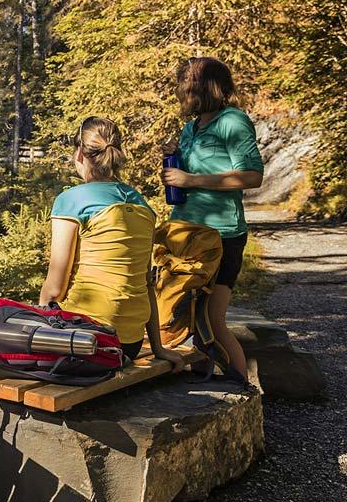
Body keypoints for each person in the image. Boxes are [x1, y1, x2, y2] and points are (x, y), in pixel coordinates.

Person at [40, 117, 186, 371]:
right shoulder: (141, 204)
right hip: (128, 343)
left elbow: (53, 290)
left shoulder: (72, 200)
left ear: (79, 154)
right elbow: (145, 283)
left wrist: (39, 324)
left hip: (85, 340)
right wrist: (158, 348)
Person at [161, 57, 264, 379]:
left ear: (203, 88)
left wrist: (190, 180)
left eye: (185, 85)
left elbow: (252, 176)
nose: (180, 92)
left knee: (212, 320)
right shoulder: (191, 127)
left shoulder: (233, 121)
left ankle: (241, 388)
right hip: (184, 231)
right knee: (184, 315)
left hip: (221, 234)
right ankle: (201, 386)